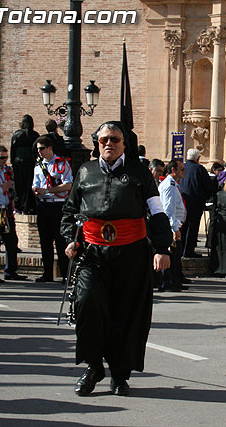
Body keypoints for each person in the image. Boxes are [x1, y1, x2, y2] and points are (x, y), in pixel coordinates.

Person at [61, 121, 171, 397]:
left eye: (114, 139)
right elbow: (70, 210)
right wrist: (70, 240)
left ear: (125, 144)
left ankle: (120, 374)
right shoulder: (85, 172)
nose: (108, 144)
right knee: (87, 305)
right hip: (92, 253)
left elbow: (156, 212)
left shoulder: (139, 173)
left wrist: (162, 248)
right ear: (96, 143)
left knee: (125, 313)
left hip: (130, 252)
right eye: (103, 140)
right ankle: (94, 366)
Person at [31, 135, 72, 282]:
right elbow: (35, 183)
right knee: (45, 240)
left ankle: (65, 274)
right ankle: (47, 272)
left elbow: (68, 184)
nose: (39, 152)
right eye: (37, 149)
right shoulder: (38, 166)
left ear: (49, 148)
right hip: (43, 205)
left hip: (57, 204)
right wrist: (35, 190)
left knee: (60, 240)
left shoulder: (61, 164)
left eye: (42, 148)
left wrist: (47, 191)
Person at [0, 146, 27, 283]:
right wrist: (2, 188)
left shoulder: (7, 171)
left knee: (11, 240)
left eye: (6, 157)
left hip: (6, 209)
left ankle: (10, 271)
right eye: (2, 157)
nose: (5, 160)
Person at [157, 159, 187, 292]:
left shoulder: (173, 184)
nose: (184, 171)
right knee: (171, 256)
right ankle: (168, 282)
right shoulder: (169, 185)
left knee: (176, 255)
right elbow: (169, 209)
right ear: (173, 170)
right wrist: (174, 228)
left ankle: (174, 280)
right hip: (171, 226)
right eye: (181, 169)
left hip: (175, 224)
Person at [179, 148, 212, 258]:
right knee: (192, 227)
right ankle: (188, 251)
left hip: (182, 201)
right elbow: (207, 186)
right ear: (198, 158)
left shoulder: (182, 167)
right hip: (195, 203)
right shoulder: (199, 168)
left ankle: (182, 249)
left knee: (183, 227)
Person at [10, 114, 39, 214]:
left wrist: (13, 161)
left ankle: (19, 206)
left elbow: (12, 150)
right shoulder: (35, 135)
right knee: (29, 184)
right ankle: (28, 205)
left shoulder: (17, 134)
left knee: (19, 185)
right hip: (30, 163)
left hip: (18, 162)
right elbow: (36, 151)